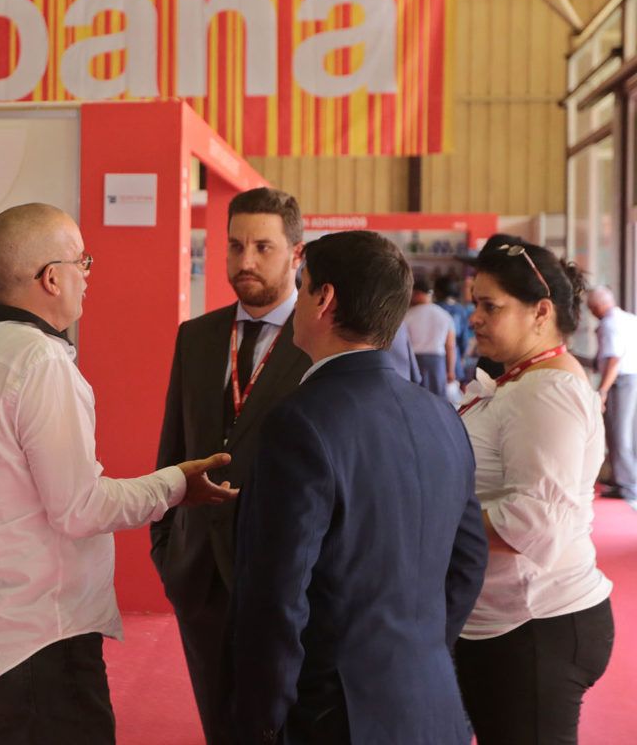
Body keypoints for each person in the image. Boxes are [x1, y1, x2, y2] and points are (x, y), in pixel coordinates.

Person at [0, 202, 237, 745]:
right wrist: (176, 482)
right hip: (41, 637)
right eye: (83, 261)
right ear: (50, 277)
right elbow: (79, 508)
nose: (87, 277)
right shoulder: (40, 364)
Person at [231, 230, 487, 745]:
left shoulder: (299, 423)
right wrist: (420, 651)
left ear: (323, 299)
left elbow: (277, 595)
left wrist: (262, 720)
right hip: (432, 702)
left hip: (335, 715)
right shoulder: (442, 415)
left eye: (301, 287)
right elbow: (468, 559)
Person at [151, 186, 311, 745]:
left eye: (263, 247)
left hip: (286, 576)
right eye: (235, 246)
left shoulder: (319, 340)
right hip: (199, 573)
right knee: (219, 726)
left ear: (296, 253)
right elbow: (173, 446)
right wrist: (166, 546)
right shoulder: (196, 337)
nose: (245, 261)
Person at [456, 236, 614, 744]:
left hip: (535, 623)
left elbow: (533, 523)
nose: (474, 317)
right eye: (473, 303)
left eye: (490, 306)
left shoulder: (547, 393)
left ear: (540, 311)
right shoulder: (522, 382)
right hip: (506, 622)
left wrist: (426, 517)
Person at [587, 285, 637, 503]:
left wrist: (603, 391)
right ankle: (623, 481)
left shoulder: (609, 324)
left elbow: (613, 360)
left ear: (597, 306)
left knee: (619, 435)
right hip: (631, 377)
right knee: (627, 433)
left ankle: (628, 486)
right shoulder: (628, 318)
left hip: (621, 382)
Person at [404, 272, 457, 397]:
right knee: (437, 400)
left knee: (415, 399)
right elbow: (450, 346)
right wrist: (450, 371)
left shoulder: (407, 316)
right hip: (437, 363)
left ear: (417, 293)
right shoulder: (444, 315)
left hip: (414, 362)